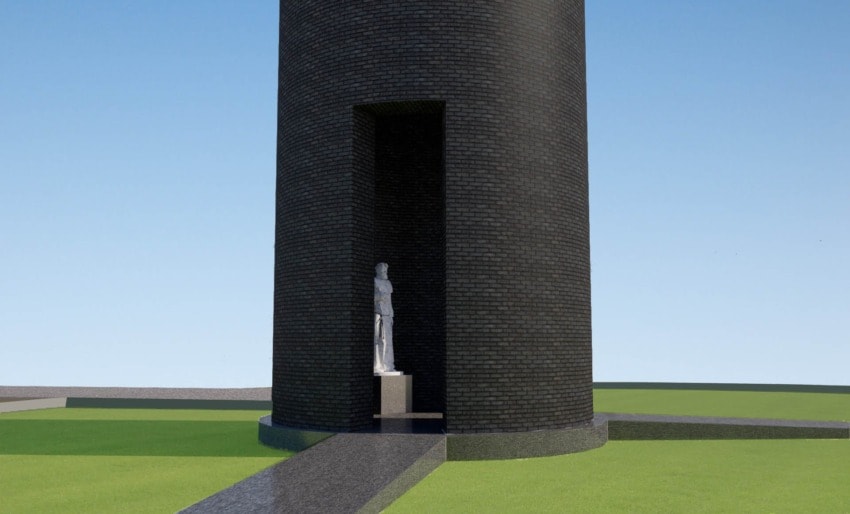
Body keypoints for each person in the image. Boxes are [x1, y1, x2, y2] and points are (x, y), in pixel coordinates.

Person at [373, 262, 395, 374]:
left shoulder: (388, 283)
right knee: (378, 341)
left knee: (388, 341)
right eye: (383, 270)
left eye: (386, 271)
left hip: (387, 315)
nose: (385, 272)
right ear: (378, 270)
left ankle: (388, 364)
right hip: (378, 314)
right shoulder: (374, 282)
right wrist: (379, 298)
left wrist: (391, 314)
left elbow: (389, 300)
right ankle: (378, 365)